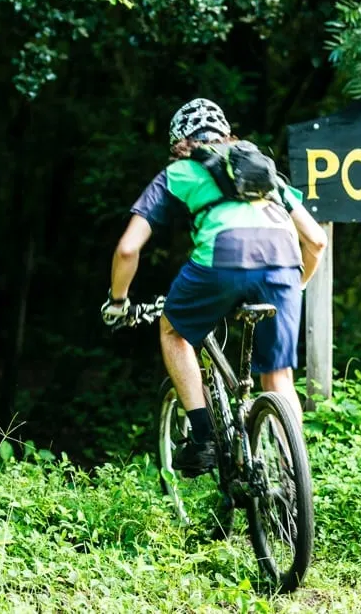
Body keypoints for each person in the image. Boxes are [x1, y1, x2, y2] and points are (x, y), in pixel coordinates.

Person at [100, 98, 327, 477]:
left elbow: (127, 249)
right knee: (279, 376)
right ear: (227, 135)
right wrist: (296, 286)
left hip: (221, 263)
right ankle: (292, 479)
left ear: (178, 144)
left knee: (172, 330)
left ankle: (203, 436)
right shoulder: (264, 170)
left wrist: (118, 301)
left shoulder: (180, 172)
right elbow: (317, 241)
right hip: (284, 266)